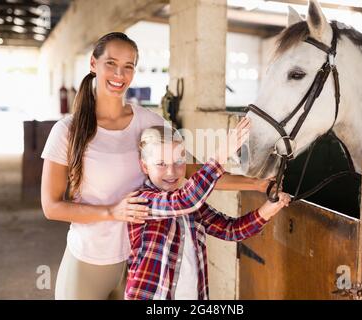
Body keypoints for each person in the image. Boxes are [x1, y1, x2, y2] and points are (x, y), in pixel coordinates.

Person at [40, 32, 277, 300]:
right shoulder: (67, 131)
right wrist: (112, 212)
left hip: (137, 264)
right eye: (111, 63)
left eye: (128, 66)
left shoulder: (148, 122)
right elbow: (51, 207)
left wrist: (257, 184)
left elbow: (190, 173)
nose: (120, 74)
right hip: (90, 260)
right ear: (93, 64)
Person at [125, 121, 290, 300]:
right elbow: (184, 201)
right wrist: (221, 155)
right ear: (144, 167)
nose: (171, 172)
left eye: (179, 162)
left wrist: (269, 208)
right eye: (161, 164)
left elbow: (231, 230)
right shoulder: (141, 201)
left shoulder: (192, 206)